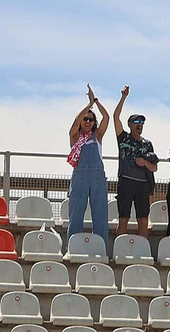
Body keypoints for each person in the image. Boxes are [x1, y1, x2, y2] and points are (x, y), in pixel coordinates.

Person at [112, 86, 159, 238]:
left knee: (143, 219)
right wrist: (123, 97)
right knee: (124, 218)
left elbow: (154, 167)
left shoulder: (147, 143)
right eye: (136, 121)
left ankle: (143, 249)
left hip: (142, 184)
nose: (140, 124)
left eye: (142, 122)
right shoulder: (123, 137)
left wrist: (144, 163)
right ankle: (119, 248)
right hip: (126, 181)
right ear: (130, 125)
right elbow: (115, 117)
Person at [65, 86, 110, 241]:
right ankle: (73, 244)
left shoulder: (97, 136)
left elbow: (107, 117)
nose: (88, 122)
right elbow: (75, 122)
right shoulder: (75, 137)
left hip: (97, 176)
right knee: (76, 211)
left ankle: (101, 246)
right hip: (80, 176)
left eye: (91, 119)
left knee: (100, 213)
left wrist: (95, 101)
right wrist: (88, 104)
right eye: (86, 119)